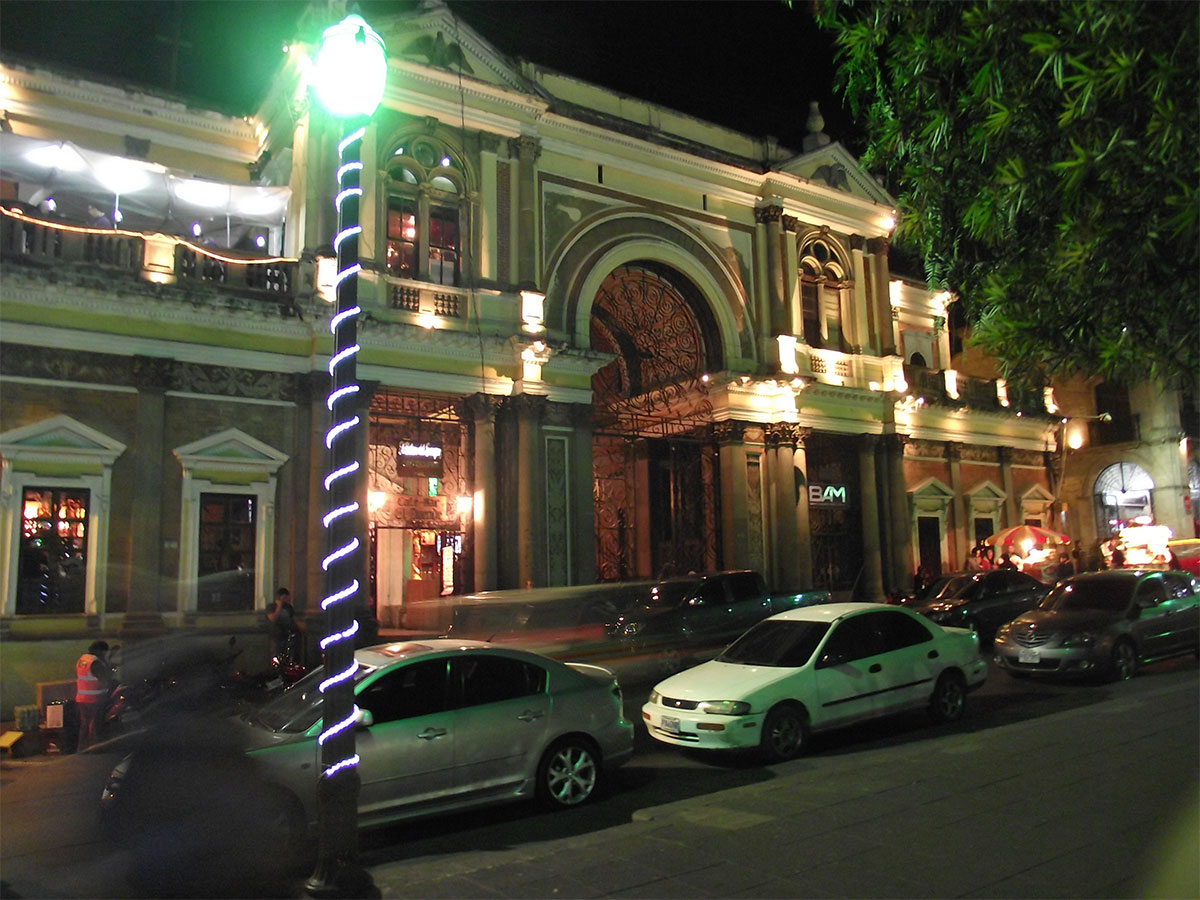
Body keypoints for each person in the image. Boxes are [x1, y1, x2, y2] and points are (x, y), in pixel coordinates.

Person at [74, 640, 112, 750]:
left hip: (81, 698)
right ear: (100, 651)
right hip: (94, 699)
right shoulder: (95, 662)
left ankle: (81, 749)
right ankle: (94, 749)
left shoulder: (82, 660)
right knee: (94, 725)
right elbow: (104, 677)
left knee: (84, 725)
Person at [266, 587, 300, 667]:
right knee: (276, 656)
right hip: (276, 636)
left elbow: (294, 619)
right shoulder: (271, 607)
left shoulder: (289, 607)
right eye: (285, 597)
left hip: (288, 636)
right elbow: (272, 618)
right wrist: (279, 607)